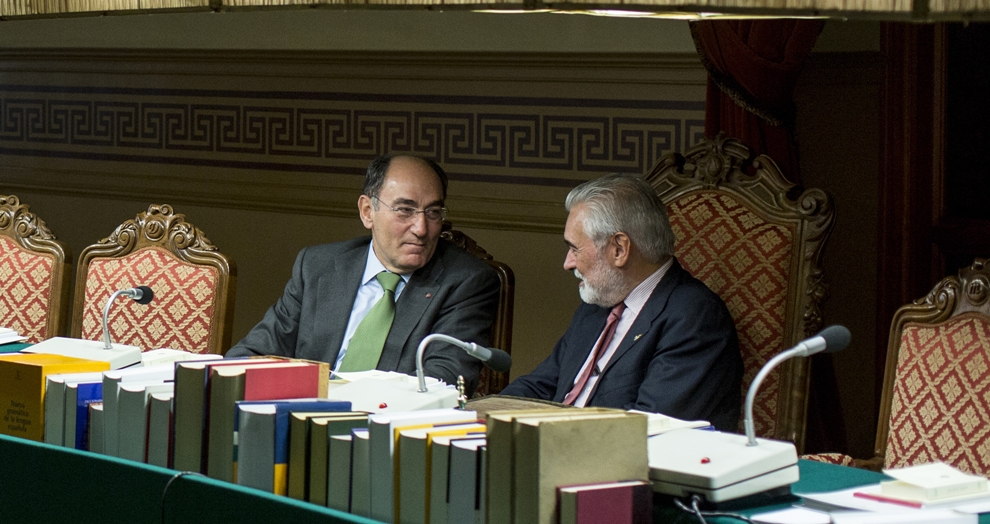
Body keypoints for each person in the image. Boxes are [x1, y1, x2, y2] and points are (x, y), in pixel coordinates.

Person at [226, 153, 500, 393]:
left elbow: (441, 383)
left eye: (433, 212)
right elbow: (249, 355)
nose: (421, 228)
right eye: (405, 210)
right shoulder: (318, 266)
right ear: (368, 211)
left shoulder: (466, 282)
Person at [500, 173, 742, 431]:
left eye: (575, 249)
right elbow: (542, 384)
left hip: (614, 464)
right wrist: (479, 416)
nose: (567, 263)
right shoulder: (598, 304)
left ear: (619, 249)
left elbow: (646, 430)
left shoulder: (695, 317)